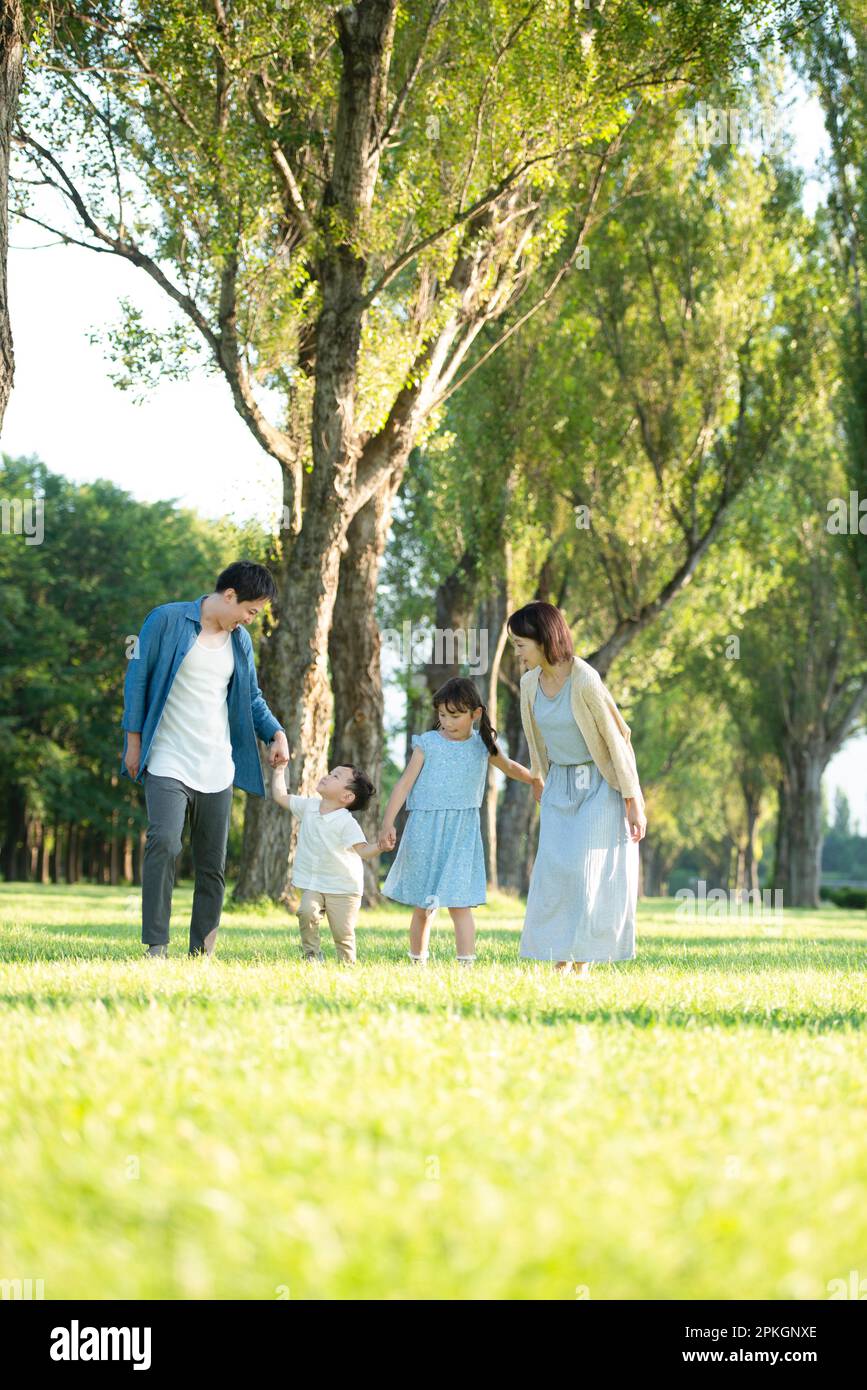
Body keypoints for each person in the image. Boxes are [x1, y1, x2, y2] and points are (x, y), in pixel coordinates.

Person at [121, 560, 289, 958]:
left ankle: (202, 952)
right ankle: (156, 947)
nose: (249, 619)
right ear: (229, 596)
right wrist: (132, 742)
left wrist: (276, 732)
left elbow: (250, 697)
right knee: (163, 842)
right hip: (167, 757)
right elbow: (137, 680)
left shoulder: (240, 641)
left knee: (212, 863)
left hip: (216, 763)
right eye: (249, 611)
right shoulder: (165, 620)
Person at [507, 600, 647, 976]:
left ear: (543, 639)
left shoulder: (584, 679)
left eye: (520, 644)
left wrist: (633, 801)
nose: (516, 652)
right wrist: (539, 776)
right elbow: (534, 738)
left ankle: (581, 964)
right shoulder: (528, 684)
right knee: (555, 872)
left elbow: (617, 739)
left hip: (599, 784)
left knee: (587, 872)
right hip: (560, 784)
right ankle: (558, 959)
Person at [378, 677, 542, 965]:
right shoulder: (427, 744)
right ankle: (418, 961)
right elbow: (403, 785)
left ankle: (465, 964)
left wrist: (534, 779)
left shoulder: (482, 746)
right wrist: (388, 823)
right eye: (442, 715)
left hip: (462, 834)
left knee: (459, 904)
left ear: (475, 714)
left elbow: (510, 767)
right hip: (424, 831)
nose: (447, 722)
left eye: (455, 716)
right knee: (423, 905)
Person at [270, 760, 383, 965]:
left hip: (343, 887)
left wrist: (381, 846)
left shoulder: (347, 823)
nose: (328, 776)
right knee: (306, 912)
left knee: (343, 933)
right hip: (315, 883)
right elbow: (280, 796)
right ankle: (312, 956)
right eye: (331, 772)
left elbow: (364, 851)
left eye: (336, 776)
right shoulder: (309, 806)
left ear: (347, 796)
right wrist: (279, 770)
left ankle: (347, 966)